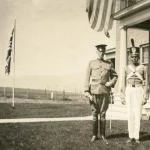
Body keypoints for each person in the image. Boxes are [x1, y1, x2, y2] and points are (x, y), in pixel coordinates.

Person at [84, 44, 118, 144]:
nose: (101, 53)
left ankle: (103, 135)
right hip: (93, 91)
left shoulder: (109, 63)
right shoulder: (91, 63)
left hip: (104, 91)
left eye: (103, 51)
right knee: (94, 114)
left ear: (104, 52)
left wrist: (110, 83)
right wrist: (86, 91)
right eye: (99, 51)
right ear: (96, 52)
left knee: (103, 114)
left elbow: (115, 76)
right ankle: (94, 135)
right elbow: (87, 77)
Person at [120, 45, 149, 144]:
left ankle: (137, 136)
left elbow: (147, 83)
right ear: (130, 57)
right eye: (132, 56)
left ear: (139, 57)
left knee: (138, 114)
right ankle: (131, 136)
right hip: (129, 90)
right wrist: (122, 95)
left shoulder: (143, 68)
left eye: (136, 56)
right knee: (130, 114)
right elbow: (123, 82)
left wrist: (145, 94)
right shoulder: (126, 68)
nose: (134, 58)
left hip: (138, 90)